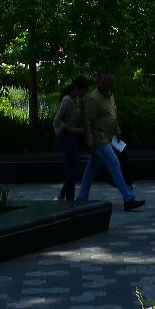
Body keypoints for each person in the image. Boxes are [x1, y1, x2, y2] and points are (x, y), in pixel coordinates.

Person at [76, 72, 145, 211]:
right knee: (114, 163)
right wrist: (90, 143)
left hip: (108, 137)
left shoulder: (109, 95)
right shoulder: (93, 99)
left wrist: (117, 131)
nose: (108, 82)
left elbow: (113, 115)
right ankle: (128, 198)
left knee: (91, 168)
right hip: (99, 138)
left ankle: (82, 197)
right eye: (106, 80)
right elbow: (88, 123)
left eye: (110, 80)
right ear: (99, 80)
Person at [53, 75, 89, 201]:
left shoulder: (75, 100)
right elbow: (57, 120)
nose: (84, 93)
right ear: (77, 88)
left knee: (73, 167)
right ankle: (63, 194)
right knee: (73, 168)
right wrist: (71, 129)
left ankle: (69, 198)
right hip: (64, 137)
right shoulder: (67, 101)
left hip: (71, 136)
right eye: (83, 90)